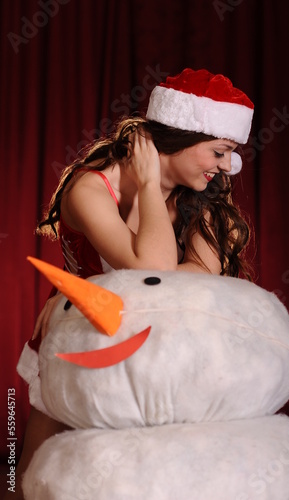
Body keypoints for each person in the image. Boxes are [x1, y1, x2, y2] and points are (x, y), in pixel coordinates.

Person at [9, 68, 254, 499]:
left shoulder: (204, 198)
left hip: (166, 348)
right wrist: (146, 185)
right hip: (83, 338)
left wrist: (91, 288)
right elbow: (153, 271)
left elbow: (183, 279)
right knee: (33, 479)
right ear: (177, 137)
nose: (225, 166)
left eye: (229, 154)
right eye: (218, 151)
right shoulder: (91, 188)